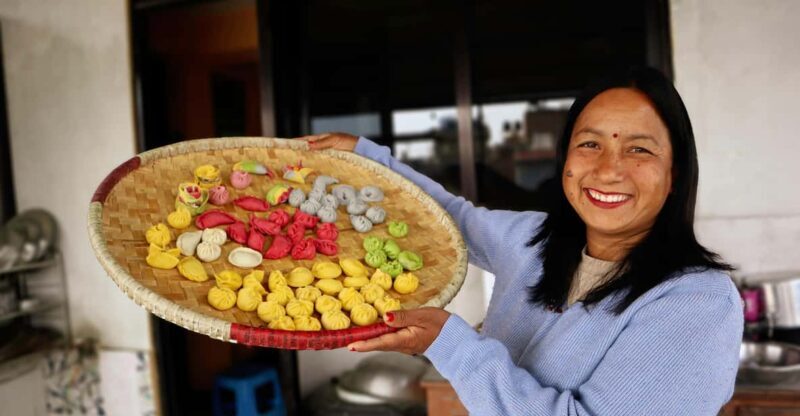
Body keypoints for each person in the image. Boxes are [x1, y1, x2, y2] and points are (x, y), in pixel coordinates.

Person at [299, 66, 743, 415]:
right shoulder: (535, 240)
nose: (608, 170)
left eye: (639, 149)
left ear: (675, 175)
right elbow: (446, 219)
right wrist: (366, 158)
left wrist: (448, 343)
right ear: (565, 158)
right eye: (589, 144)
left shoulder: (697, 302)